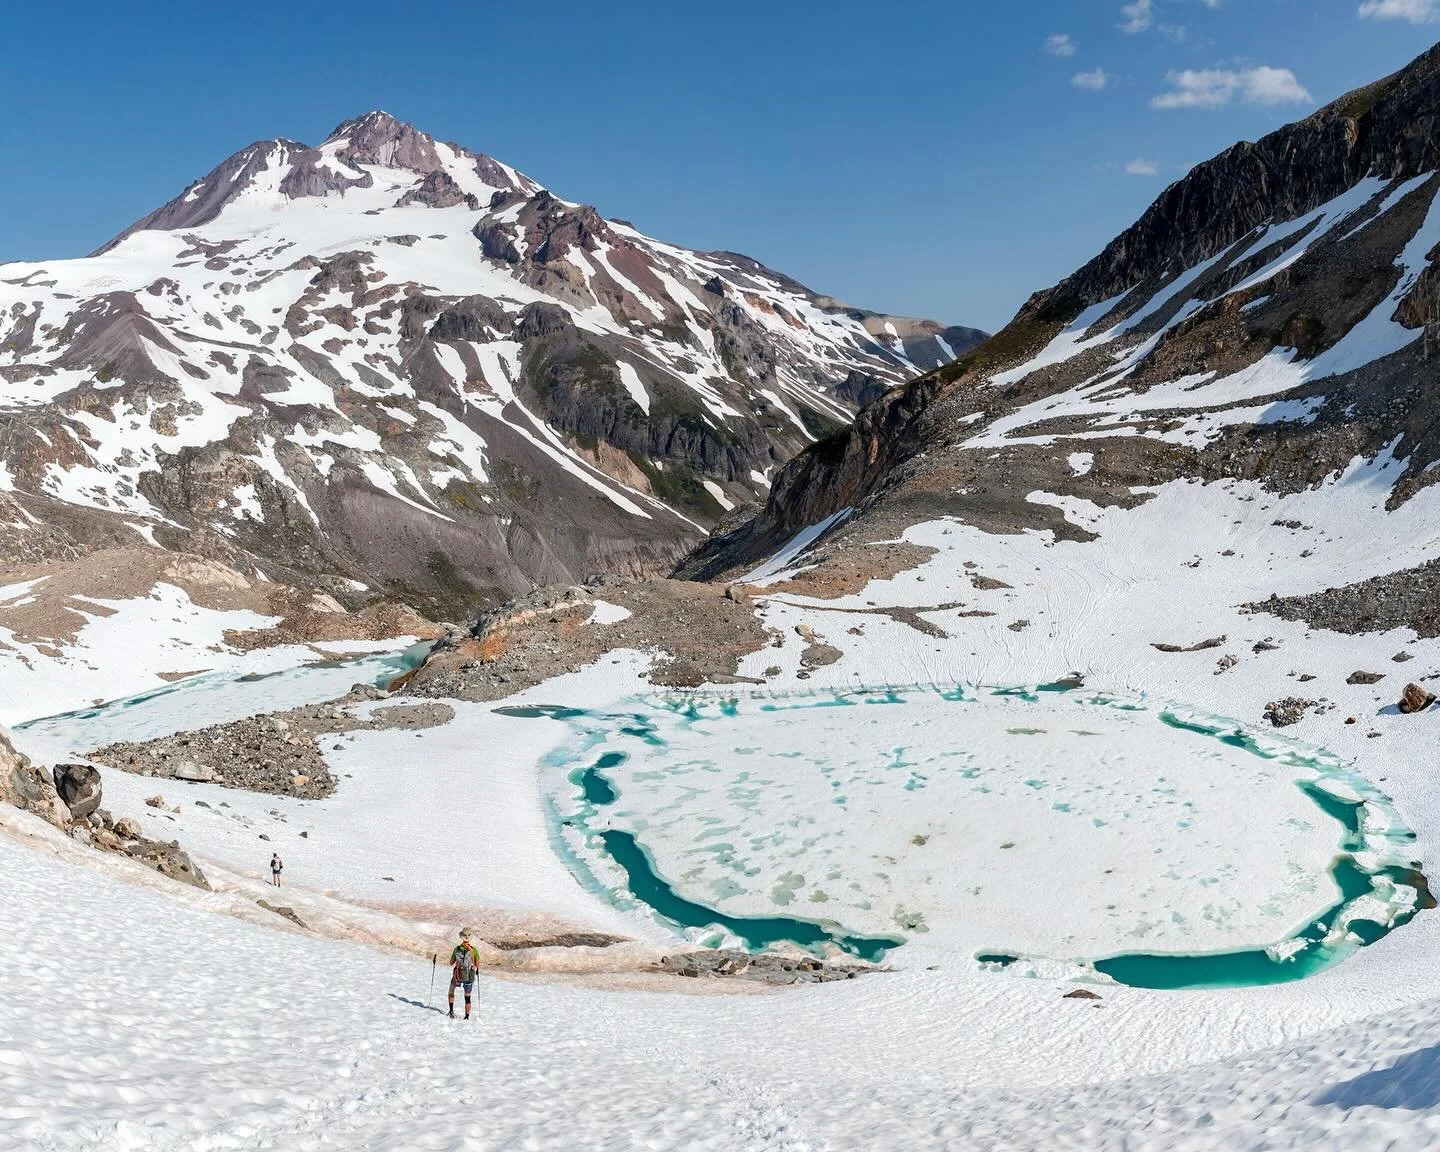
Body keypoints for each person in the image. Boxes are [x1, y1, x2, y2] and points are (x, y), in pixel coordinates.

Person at [448, 927, 481, 1019]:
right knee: (467, 997)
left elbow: (451, 963)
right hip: (469, 976)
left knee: (451, 991)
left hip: (457, 975)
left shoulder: (457, 949)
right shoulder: (473, 950)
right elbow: (477, 964)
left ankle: (451, 1011)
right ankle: (466, 1016)